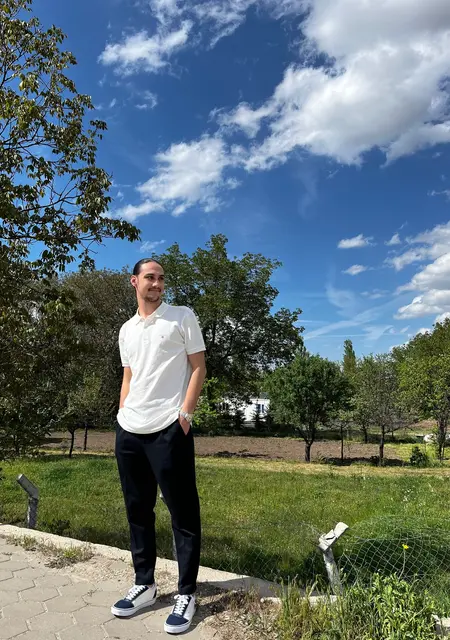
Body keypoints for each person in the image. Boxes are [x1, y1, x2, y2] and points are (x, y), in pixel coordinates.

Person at [111, 258, 206, 635]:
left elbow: (198, 367)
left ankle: (186, 593)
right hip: (129, 430)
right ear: (134, 282)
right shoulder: (126, 329)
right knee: (138, 510)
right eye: (150, 277)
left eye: (161, 278)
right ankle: (145, 584)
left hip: (169, 428)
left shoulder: (181, 316)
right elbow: (129, 375)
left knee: (183, 512)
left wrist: (185, 414)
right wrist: (121, 412)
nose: (157, 283)